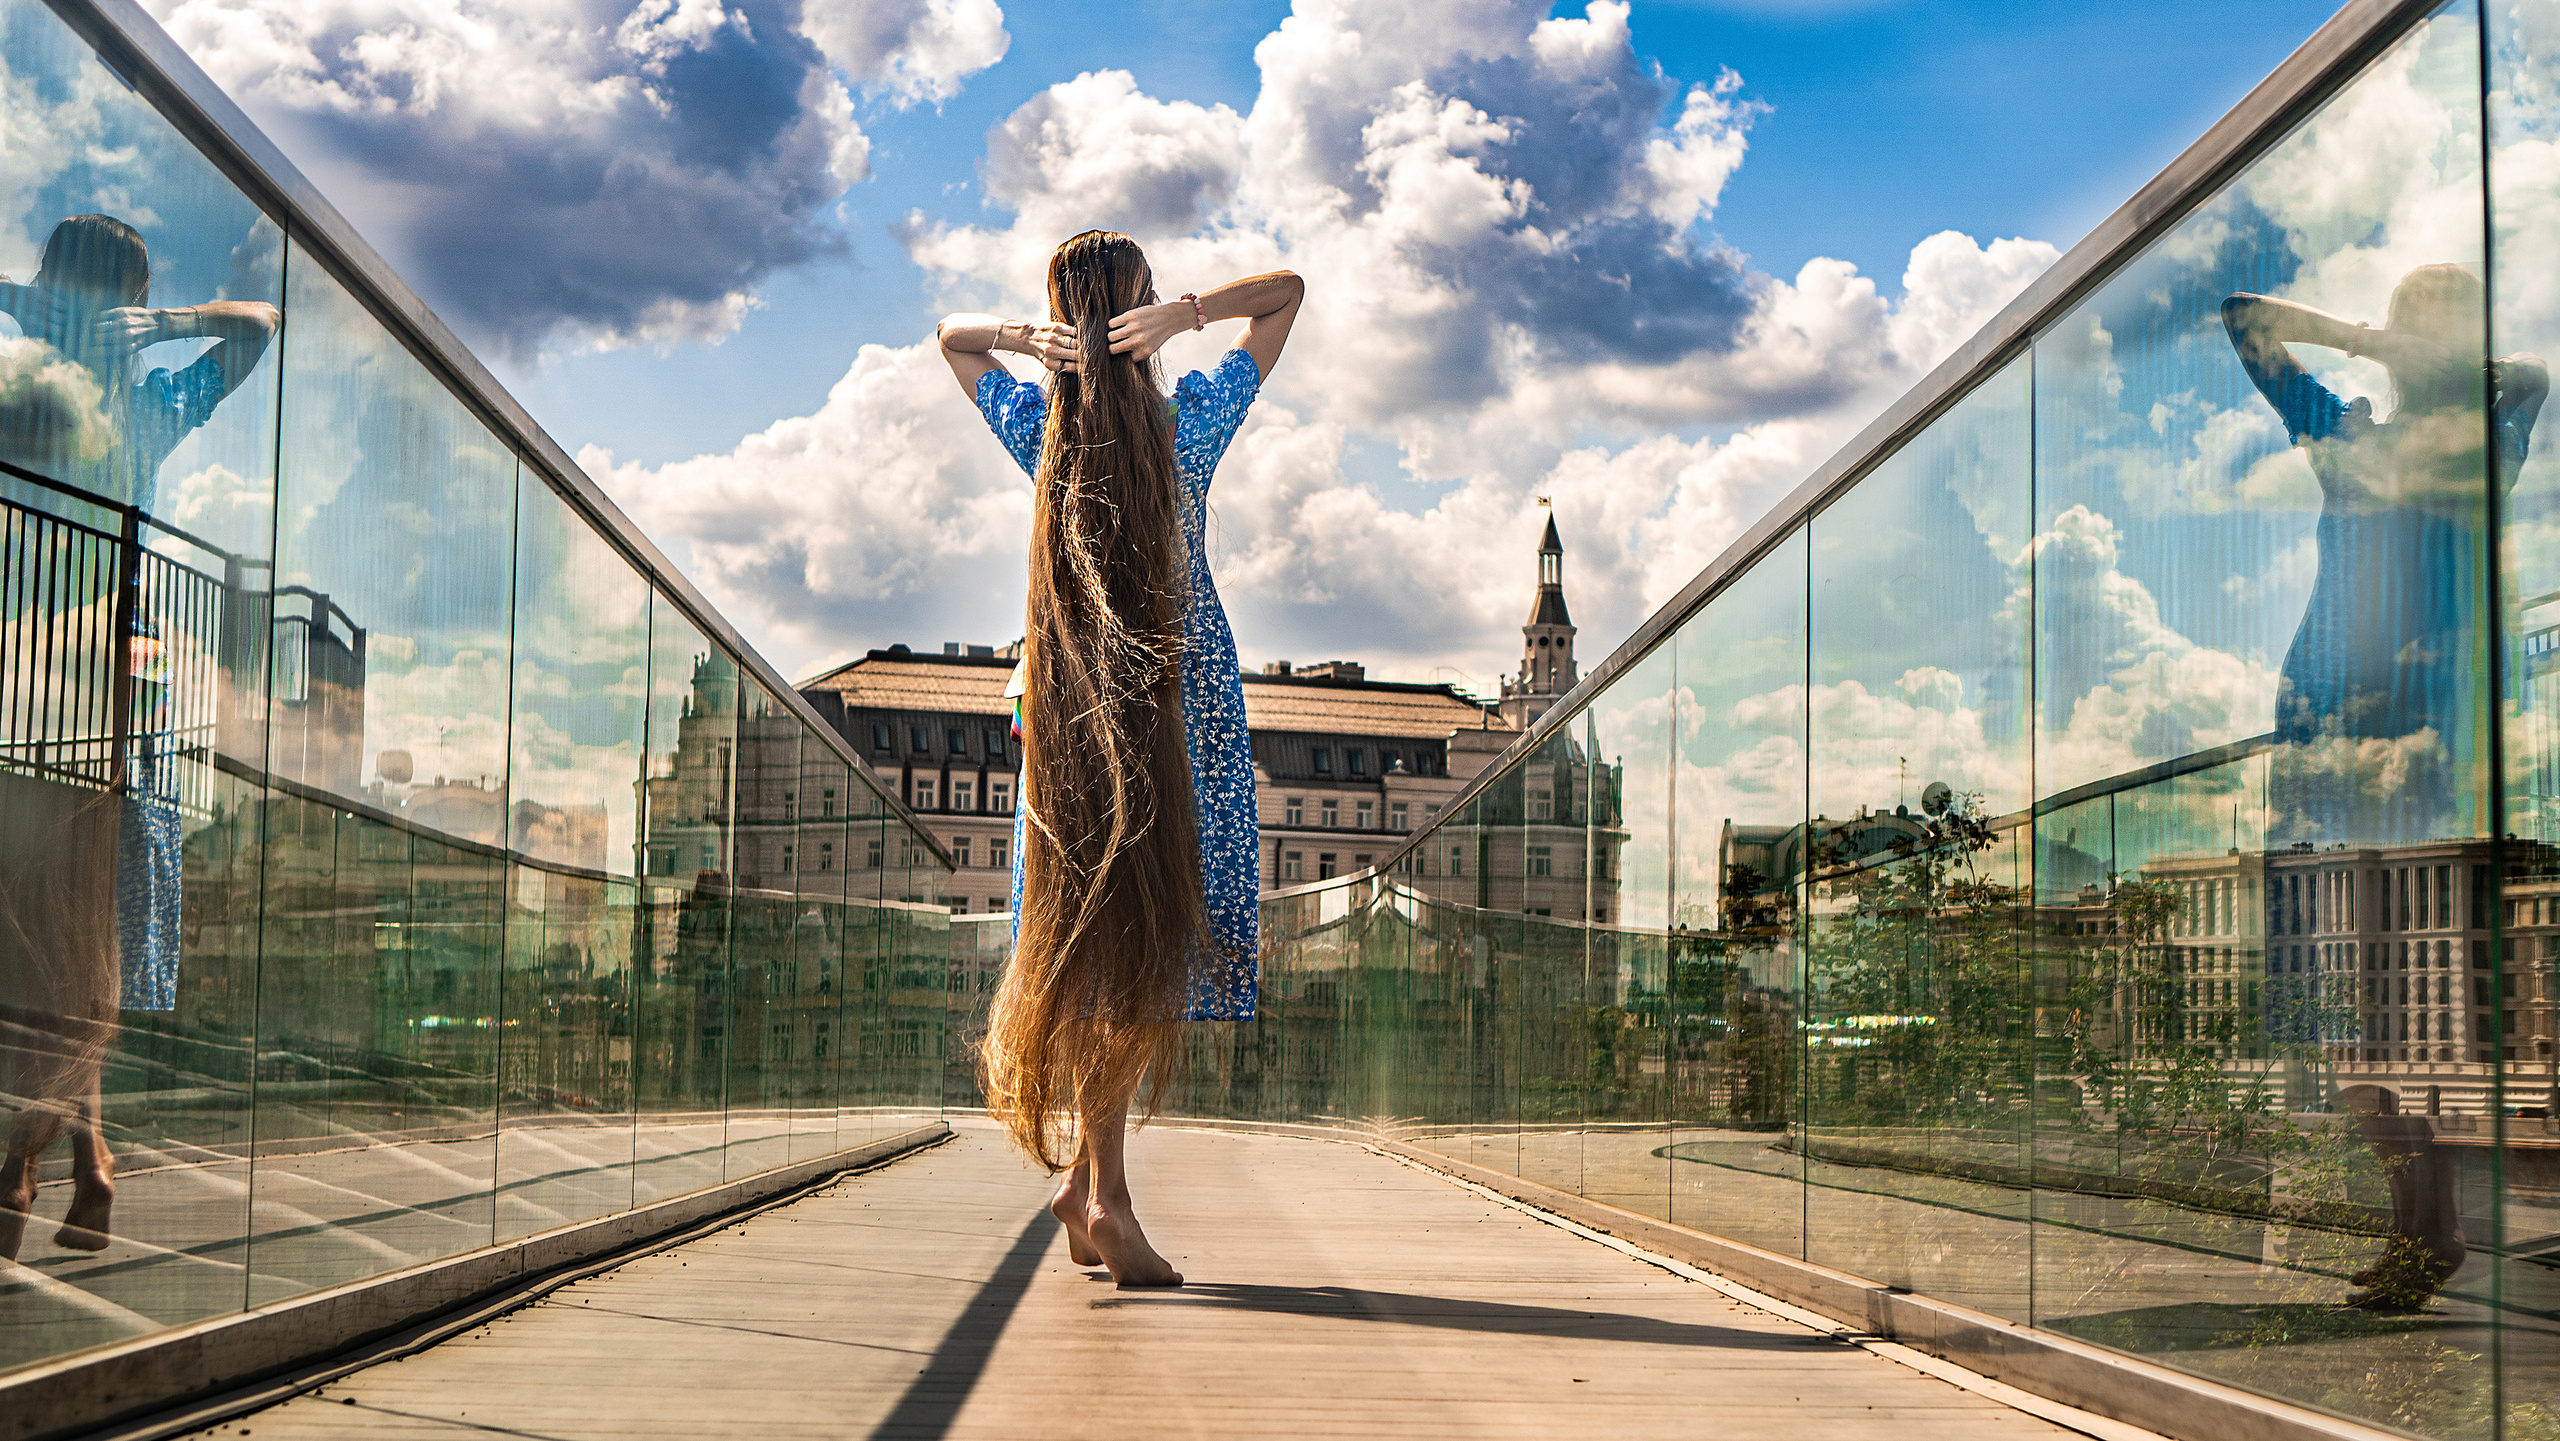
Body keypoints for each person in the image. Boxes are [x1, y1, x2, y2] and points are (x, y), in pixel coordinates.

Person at [938, 231, 1302, 1286]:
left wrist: (1028, 339)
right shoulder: (1184, 428)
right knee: (1140, 939)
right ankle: (1103, 1194)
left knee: (1104, 936)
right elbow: (1283, 298)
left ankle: (1097, 1191)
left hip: (1074, 715)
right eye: (1135, 306)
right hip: (1181, 715)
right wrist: (1184, 316)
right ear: (1132, 317)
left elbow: (953, 347)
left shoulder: (1041, 434)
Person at [2223, 265, 2545, 1308]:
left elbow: (2531, 377)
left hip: (2435, 747)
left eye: (2443, 329)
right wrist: (2369, 341)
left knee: (2427, 999)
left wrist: (2440, 362)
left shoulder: (2485, 441)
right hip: (2324, 728)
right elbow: (2243, 320)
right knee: (2339, 1005)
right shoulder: (2346, 435)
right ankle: (2425, 1228)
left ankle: (2429, 1231)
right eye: (2420, 323)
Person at [0, 214, 277, 1260]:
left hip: (46, 682)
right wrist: (156, 323)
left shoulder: (31, 404)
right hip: (104, 684)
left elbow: (262, 319)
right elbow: (255, 331)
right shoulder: (149, 406)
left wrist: (126, 318)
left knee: (46, 934)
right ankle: (83, 1162)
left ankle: (25, 1162)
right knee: (76, 937)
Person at [2223, 265, 2544, 849]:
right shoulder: (2494, 446)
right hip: (2378, 698)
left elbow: (2243, 317)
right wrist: (2470, 366)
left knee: (2349, 905)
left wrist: (2370, 343)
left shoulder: (2353, 439)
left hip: (2373, 695)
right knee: (2431, 909)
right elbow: (2535, 379)